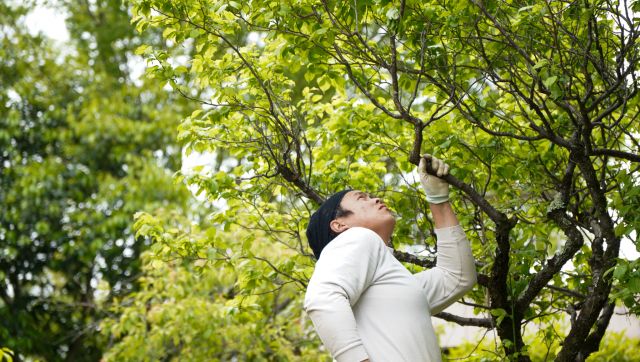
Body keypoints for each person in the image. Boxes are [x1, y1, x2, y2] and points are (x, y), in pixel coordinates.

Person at [304, 154, 477, 362]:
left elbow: (456, 277)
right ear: (340, 225)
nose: (375, 199)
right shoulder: (359, 237)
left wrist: (438, 198)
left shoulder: (393, 285)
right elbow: (323, 298)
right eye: (362, 198)